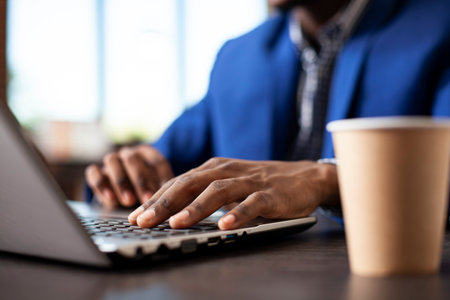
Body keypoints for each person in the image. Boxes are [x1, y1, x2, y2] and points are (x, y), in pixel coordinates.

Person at [85, 0, 450, 230]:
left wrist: (326, 178)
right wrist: (133, 172)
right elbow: (168, 155)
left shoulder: (439, 24)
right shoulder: (237, 55)